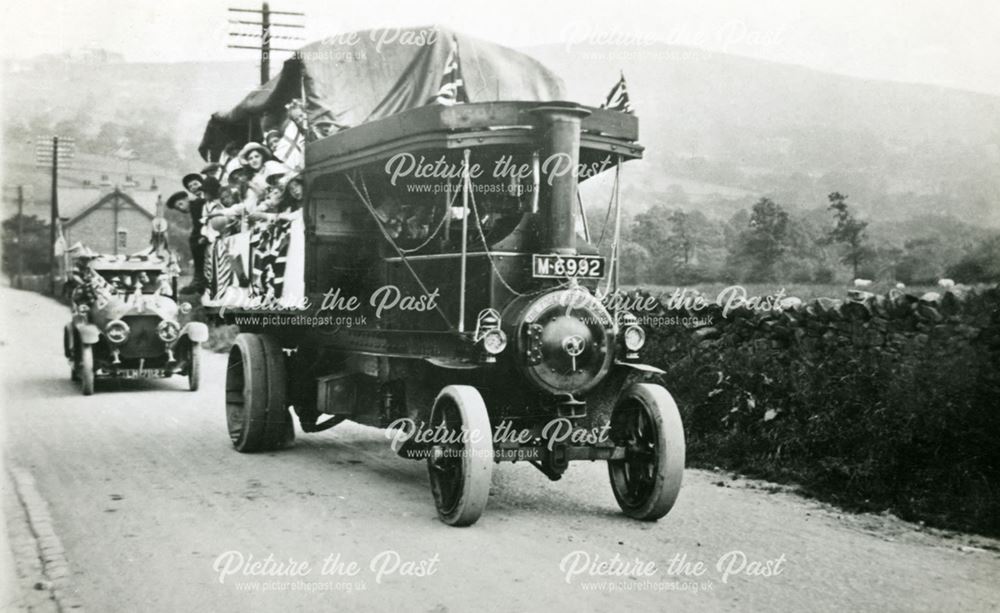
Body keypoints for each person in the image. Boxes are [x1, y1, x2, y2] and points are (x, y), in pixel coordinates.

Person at [178, 173, 207, 294]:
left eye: (196, 183)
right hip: (200, 232)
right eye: (190, 186)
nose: (194, 187)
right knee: (194, 245)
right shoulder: (194, 203)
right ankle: (199, 279)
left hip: (212, 228)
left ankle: (200, 280)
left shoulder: (208, 197)